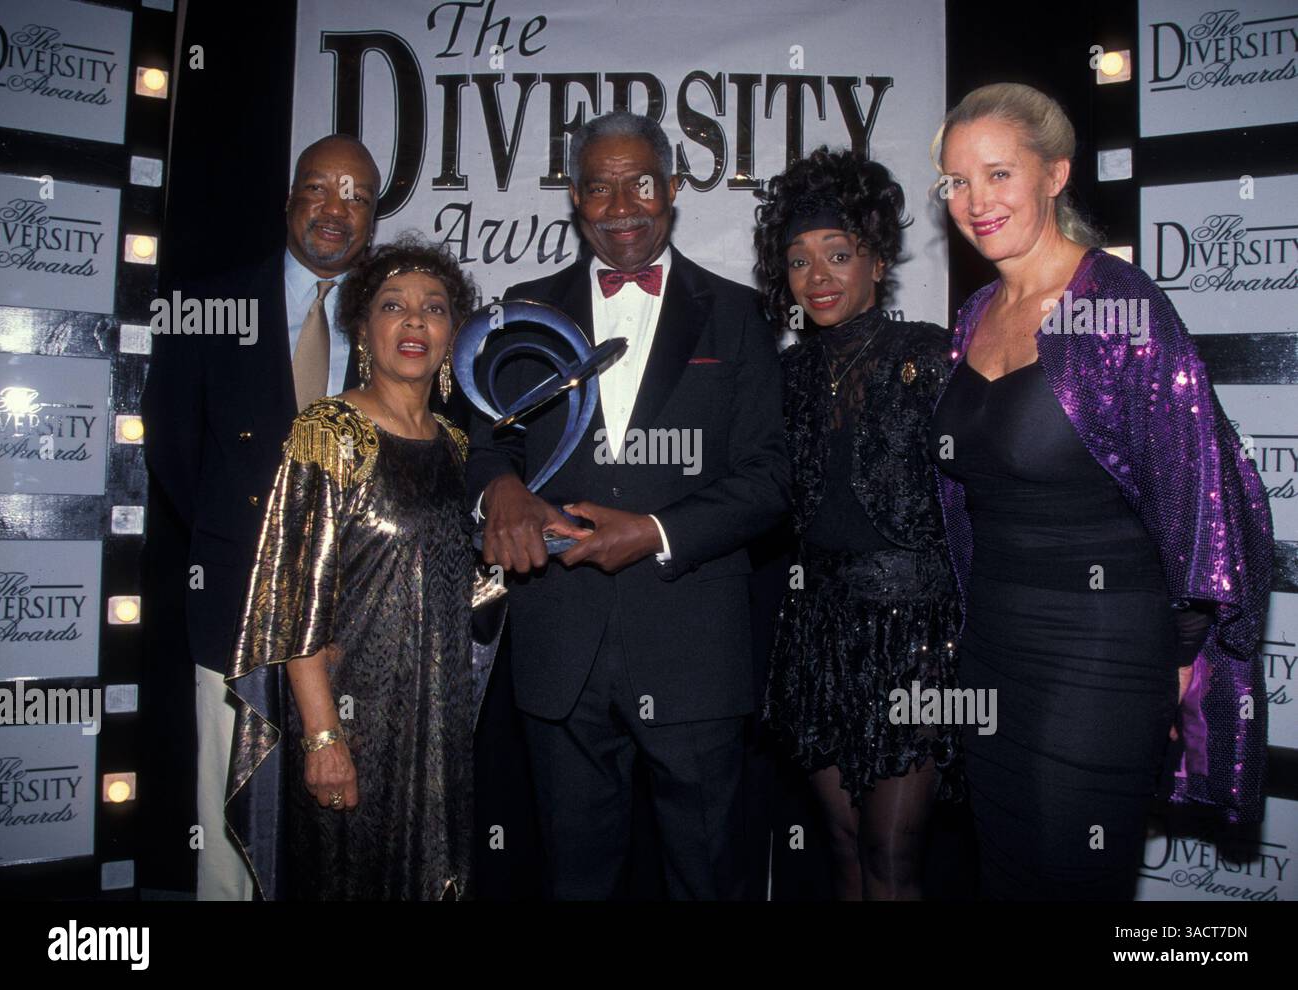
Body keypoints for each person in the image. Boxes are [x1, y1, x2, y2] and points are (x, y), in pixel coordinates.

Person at [929, 83, 1273, 899]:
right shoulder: (976, 311)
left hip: (1099, 652)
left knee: (1070, 876)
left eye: (998, 174)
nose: (976, 201)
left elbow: (1203, 495)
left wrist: (1184, 657)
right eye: (956, 182)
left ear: (1055, 174)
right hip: (992, 644)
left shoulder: (1119, 307)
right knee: (1005, 873)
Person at [465, 110, 790, 900]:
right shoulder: (522, 309)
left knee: (708, 880)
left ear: (673, 189)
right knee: (575, 883)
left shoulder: (739, 315)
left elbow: (772, 475)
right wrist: (500, 489)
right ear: (575, 198)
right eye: (600, 188)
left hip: (694, 654)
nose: (621, 207)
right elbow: (486, 443)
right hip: (559, 653)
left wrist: (654, 532)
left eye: (640, 183)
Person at [141, 134, 380, 900]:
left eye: (356, 196)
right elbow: (177, 457)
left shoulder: (394, 320)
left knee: (338, 826)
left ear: (373, 218)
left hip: (354, 628)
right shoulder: (210, 308)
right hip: (232, 607)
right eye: (319, 188)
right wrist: (247, 549)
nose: (335, 209)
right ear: (289, 200)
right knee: (229, 830)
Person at [224, 234, 481, 899]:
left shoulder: (457, 447)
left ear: (454, 333)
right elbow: (291, 598)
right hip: (354, 726)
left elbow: (463, 587)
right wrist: (321, 738)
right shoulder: (329, 431)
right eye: (393, 305)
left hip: (439, 724)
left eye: (435, 307)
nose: (416, 320)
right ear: (363, 329)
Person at [755, 148, 961, 900]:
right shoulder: (786, 376)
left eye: (838, 255)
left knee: (892, 853)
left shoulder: (931, 354)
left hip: (915, 638)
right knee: (842, 849)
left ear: (877, 261)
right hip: (818, 637)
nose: (818, 277)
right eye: (800, 260)